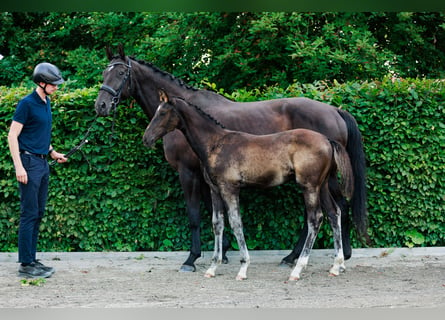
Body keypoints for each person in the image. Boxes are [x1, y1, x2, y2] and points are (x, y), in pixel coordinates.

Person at [7, 62, 68, 278]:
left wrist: (52, 152)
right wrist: (18, 166)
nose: (56, 87)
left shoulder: (46, 102)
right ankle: (25, 265)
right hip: (29, 163)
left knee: (39, 213)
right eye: (53, 84)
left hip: (42, 163)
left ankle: (32, 259)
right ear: (41, 83)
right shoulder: (27, 104)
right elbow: (13, 135)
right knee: (29, 213)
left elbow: (37, 134)